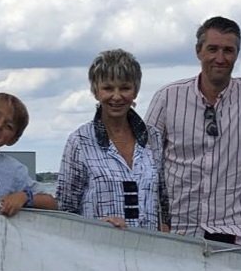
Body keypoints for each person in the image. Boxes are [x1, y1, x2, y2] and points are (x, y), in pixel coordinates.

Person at [145, 16, 241, 271]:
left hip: (234, 233)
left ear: (237, 54)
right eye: (213, 49)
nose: (220, 58)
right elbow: (146, 168)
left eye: (228, 50)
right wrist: (157, 223)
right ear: (199, 51)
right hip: (177, 231)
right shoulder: (167, 97)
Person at [56, 49, 167, 230]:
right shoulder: (80, 141)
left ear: (135, 91)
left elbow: (163, 199)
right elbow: (64, 209)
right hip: (98, 249)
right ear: (96, 92)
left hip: (149, 251)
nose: (116, 96)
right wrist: (96, 225)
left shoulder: (153, 138)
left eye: (124, 88)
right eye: (108, 88)